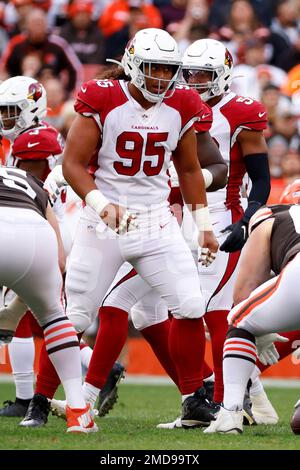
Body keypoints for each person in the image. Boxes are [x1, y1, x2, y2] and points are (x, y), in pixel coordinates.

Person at [61, 27, 219, 427]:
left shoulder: (182, 103)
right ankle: (60, 402)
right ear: (133, 63)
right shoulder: (105, 97)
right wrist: (101, 204)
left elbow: (188, 169)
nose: (161, 79)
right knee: (76, 316)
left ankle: (193, 402)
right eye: (153, 68)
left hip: (154, 219)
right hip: (103, 220)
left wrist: (203, 225)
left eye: (168, 70)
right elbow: (73, 164)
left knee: (189, 303)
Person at [156, 39, 271, 429]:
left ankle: (227, 404)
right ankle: (195, 402)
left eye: (203, 73)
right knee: (180, 311)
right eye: (189, 73)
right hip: (181, 219)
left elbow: (261, 178)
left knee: (214, 311)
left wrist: (247, 220)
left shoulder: (240, 111)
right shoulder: (176, 103)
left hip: (222, 218)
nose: (194, 80)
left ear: (222, 72)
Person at [0, 165, 96, 433]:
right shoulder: (26, 178)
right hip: (37, 234)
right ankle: (78, 412)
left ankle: (12, 313)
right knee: (54, 316)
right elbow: (59, 259)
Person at [204, 181, 300, 434]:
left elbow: (243, 293)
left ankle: (230, 412)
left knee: (238, 318)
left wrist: (261, 329)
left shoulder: (271, 215)